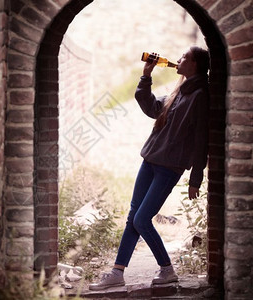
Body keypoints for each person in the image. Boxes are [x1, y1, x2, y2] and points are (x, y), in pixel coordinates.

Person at [89, 46, 210, 290]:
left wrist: (196, 178)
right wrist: (146, 76)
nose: (178, 60)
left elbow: (201, 140)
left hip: (169, 167)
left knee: (142, 219)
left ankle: (167, 270)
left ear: (195, 64)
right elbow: (153, 108)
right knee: (134, 217)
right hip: (151, 160)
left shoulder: (200, 96)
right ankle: (117, 272)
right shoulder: (180, 91)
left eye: (184, 57)